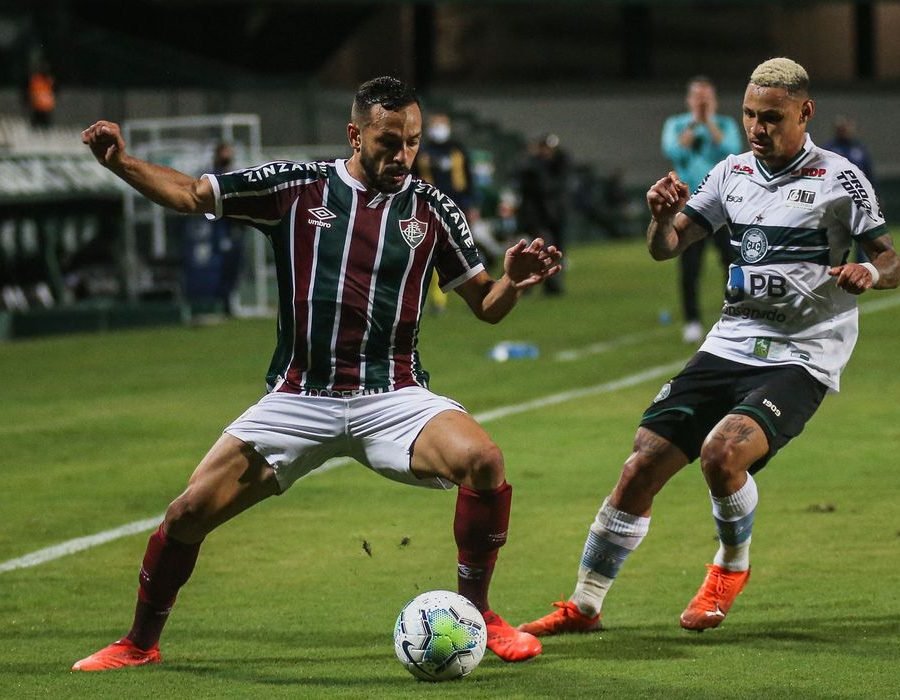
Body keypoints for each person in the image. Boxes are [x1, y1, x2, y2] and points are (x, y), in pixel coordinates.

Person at [73, 76, 561, 671]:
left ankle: (477, 611)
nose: (402, 156)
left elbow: (485, 306)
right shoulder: (297, 187)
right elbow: (191, 195)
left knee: (484, 460)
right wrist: (120, 162)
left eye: (411, 142)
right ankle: (140, 643)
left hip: (393, 395)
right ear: (354, 134)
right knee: (186, 514)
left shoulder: (433, 208)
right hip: (300, 396)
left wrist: (512, 281)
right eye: (388, 142)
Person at [518, 57, 897, 638]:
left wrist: (869, 273)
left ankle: (730, 566)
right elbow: (666, 248)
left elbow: (890, 258)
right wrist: (660, 218)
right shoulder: (729, 173)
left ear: (805, 112)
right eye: (748, 114)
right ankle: (584, 606)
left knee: (723, 454)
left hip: (803, 351)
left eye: (770, 117)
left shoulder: (841, 178)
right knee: (641, 463)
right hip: (731, 341)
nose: (755, 127)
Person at [661, 76, 743, 343]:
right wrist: (695, 122)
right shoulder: (676, 124)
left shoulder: (724, 124)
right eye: (698, 97)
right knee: (690, 266)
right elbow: (674, 151)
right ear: (689, 99)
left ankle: (731, 314)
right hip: (690, 208)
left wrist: (708, 122)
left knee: (731, 262)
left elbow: (732, 150)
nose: (702, 102)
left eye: (707, 97)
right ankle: (692, 320)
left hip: (723, 206)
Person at [516, 133, 571, 295]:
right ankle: (542, 285)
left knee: (556, 250)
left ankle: (548, 286)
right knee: (543, 250)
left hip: (555, 216)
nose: (548, 152)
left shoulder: (558, 165)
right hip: (537, 217)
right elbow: (540, 187)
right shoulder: (532, 167)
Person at [823, 116, 876, 263]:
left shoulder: (859, 149)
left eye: (846, 128)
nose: (844, 131)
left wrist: (874, 196)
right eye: (841, 128)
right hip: (836, 199)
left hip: (859, 199)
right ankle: (833, 264)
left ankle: (863, 266)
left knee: (863, 234)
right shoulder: (829, 149)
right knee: (834, 235)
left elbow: (869, 174)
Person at [24, 55, 56, 129]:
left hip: (45, 106)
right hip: (38, 106)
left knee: (43, 127)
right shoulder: (37, 79)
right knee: (37, 126)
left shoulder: (49, 80)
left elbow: (54, 91)